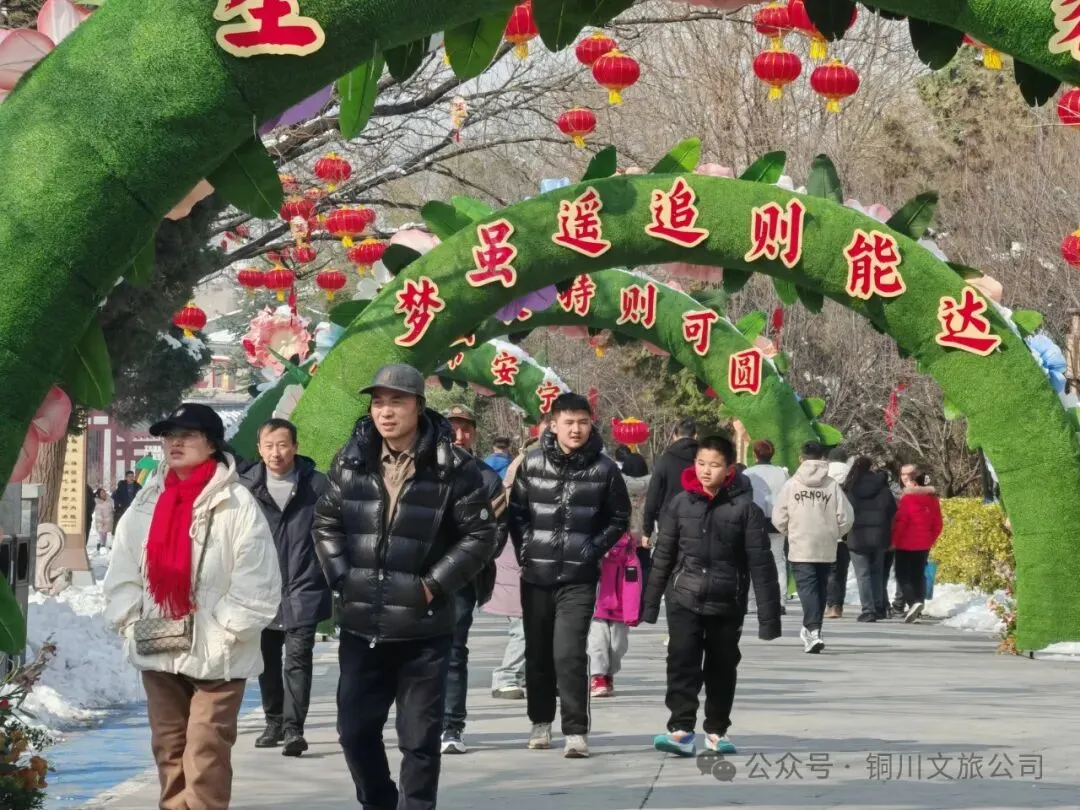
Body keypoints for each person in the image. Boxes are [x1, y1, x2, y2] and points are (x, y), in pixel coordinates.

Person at [312, 364, 497, 810]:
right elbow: (325, 522)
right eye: (378, 402)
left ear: (419, 406)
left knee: (419, 739)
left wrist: (431, 586)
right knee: (354, 732)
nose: (386, 412)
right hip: (362, 625)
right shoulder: (350, 459)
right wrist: (343, 578)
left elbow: (480, 537)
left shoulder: (454, 467)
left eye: (397, 401)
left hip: (423, 628)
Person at [103, 403, 281, 810]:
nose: (175, 443)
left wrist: (225, 631)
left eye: (187, 435)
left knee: (205, 751)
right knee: (169, 750)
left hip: (218, 652)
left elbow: (258, 580)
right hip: (158, 642)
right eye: (170, 436)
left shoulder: (236, 503)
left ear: (212, 444)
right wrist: (131, 620)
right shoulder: (147, 502)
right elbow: (122, 571)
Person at [509, 392, 631, 758]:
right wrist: (527, 549)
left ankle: (576, 730)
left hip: (579, 577)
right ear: (553, 425)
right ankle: (540, 722)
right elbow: (517, 514)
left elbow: (619, 517)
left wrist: (592, 549)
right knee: (538, 654)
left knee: (569, 653)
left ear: (591, 424)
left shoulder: (605, 469)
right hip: (536, 575)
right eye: (568, 422)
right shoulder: (531, 464)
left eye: (582, 422)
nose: (576, 429)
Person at [643, 435, 781, 757]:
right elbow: (663, 556)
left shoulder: (745, 509)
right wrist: (649, 605)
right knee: (681, 661)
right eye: (701, 463)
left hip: (726, 601)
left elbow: (762, 565)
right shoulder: (680, 504)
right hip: (683, 597)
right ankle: (680, 729)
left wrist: (769, 618)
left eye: (714, 465)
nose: (706, 471)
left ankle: (717, 730)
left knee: (722, 666)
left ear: (730, 468)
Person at [238, 418, 331, 757]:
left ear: (295, 447)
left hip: (304, 584)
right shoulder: (246, 488)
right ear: (259, 449)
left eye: (282, 445)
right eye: (269, 446)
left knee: (298, 659)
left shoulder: (316, 485)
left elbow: (334, 532)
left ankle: (294, 729)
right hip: (260, 588)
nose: (275, 452)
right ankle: (273, 721)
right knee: (266, 661)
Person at [439, 404, 508, 755]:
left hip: (462, 579)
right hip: (417, 577)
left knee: (454, 650)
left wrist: (464, 565)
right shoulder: (420, 471)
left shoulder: (487, 479)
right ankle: (421, 721)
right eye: (452, 428)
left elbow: (497, 533)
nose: (459, 435)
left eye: (466, 429)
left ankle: (451, 726)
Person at [772, 441, 854, 654]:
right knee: (820, 588)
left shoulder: (792, 484)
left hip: (801, 544)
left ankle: (812, 629)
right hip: (826, 545)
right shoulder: (831, 485)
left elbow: (778, 517)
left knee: (807, 588)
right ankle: (814, 630)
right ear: (823, 459)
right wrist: (834, 533)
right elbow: (846, 517)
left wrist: (790, 532)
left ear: (801, 458)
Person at [483, 426, 545, 701]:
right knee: (523, 625)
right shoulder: (520, 470)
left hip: (542, 558)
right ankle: (506, 676)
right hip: (518, 558)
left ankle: (534, 675)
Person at [588, 459, 650, 698]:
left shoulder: (628, 554)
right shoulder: (591, 550)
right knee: (597, 641)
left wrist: (633, 611)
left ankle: (608, 673)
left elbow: (633, 584)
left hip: (620, 606)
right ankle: (598, 676)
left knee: (617, 645)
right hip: (597, 603)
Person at [842, 456, 897, 622]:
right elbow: (892, 510)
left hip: (857, 536)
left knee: (863, 574)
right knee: (877, 572)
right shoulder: (882, 487)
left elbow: (844, 512)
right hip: (879, 537)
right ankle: (879, 607)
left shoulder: (850, 487)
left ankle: (868, 609)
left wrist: (844, 534)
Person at [742, 439, 789, 614]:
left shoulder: (747, 473)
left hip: (754, 522)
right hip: (777, 521)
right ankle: (780, 601)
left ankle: (751, 602)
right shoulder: (782, 473)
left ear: (755, 454)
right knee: (778, 561)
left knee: (752, 562)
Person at [891, 471, 943, 622]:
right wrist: (930, 539)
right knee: (918, 575)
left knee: (902, 575)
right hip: (924, 544)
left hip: (905, 543)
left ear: (914, 483)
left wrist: (894, 540)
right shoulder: (932, 499)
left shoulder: (908, 498)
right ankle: (918, 608)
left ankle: (914, 602)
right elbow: (938, 523)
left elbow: (902, 522)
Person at [642, 418, 698, 545]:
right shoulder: (704, 461)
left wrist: (647, 530)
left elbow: (653, 497)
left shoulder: (665, 460)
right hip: (698, 523)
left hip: (668, 522)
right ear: (695, 436)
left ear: (674, 436)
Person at [824, 447, 853, 618]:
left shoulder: (824, 476)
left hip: (826, 529)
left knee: (829, 570)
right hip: (847, 529)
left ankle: (831, 604)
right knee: (841, 570)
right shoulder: (853, 476)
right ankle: (838, 605)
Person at [93, 488, 114, 552]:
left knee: (107, 533)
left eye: (104, 492)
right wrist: (101, 522)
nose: (103, 494)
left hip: (109, 520)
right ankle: (101, 545)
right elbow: (98, 514)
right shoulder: (98, 502)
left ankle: (104, 545)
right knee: (102, 533)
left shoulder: (109, 499)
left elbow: (112, 508)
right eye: (101, 493)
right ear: (99, 494)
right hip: (101, 521)